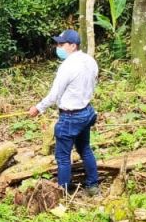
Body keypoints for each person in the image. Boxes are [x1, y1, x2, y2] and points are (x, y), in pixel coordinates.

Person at [27, 29, 100, 196]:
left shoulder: (67, 66)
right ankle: (93, 185)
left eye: (61, 44)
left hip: (70, 117)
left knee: (63, 157)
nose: (58, 47)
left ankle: (63, 192)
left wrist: (38, 108)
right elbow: (94, 82)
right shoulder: (90, 60)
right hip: (86, 112)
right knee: (85, 149)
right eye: (57, 43)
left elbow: (54, 95)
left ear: (73, 46)